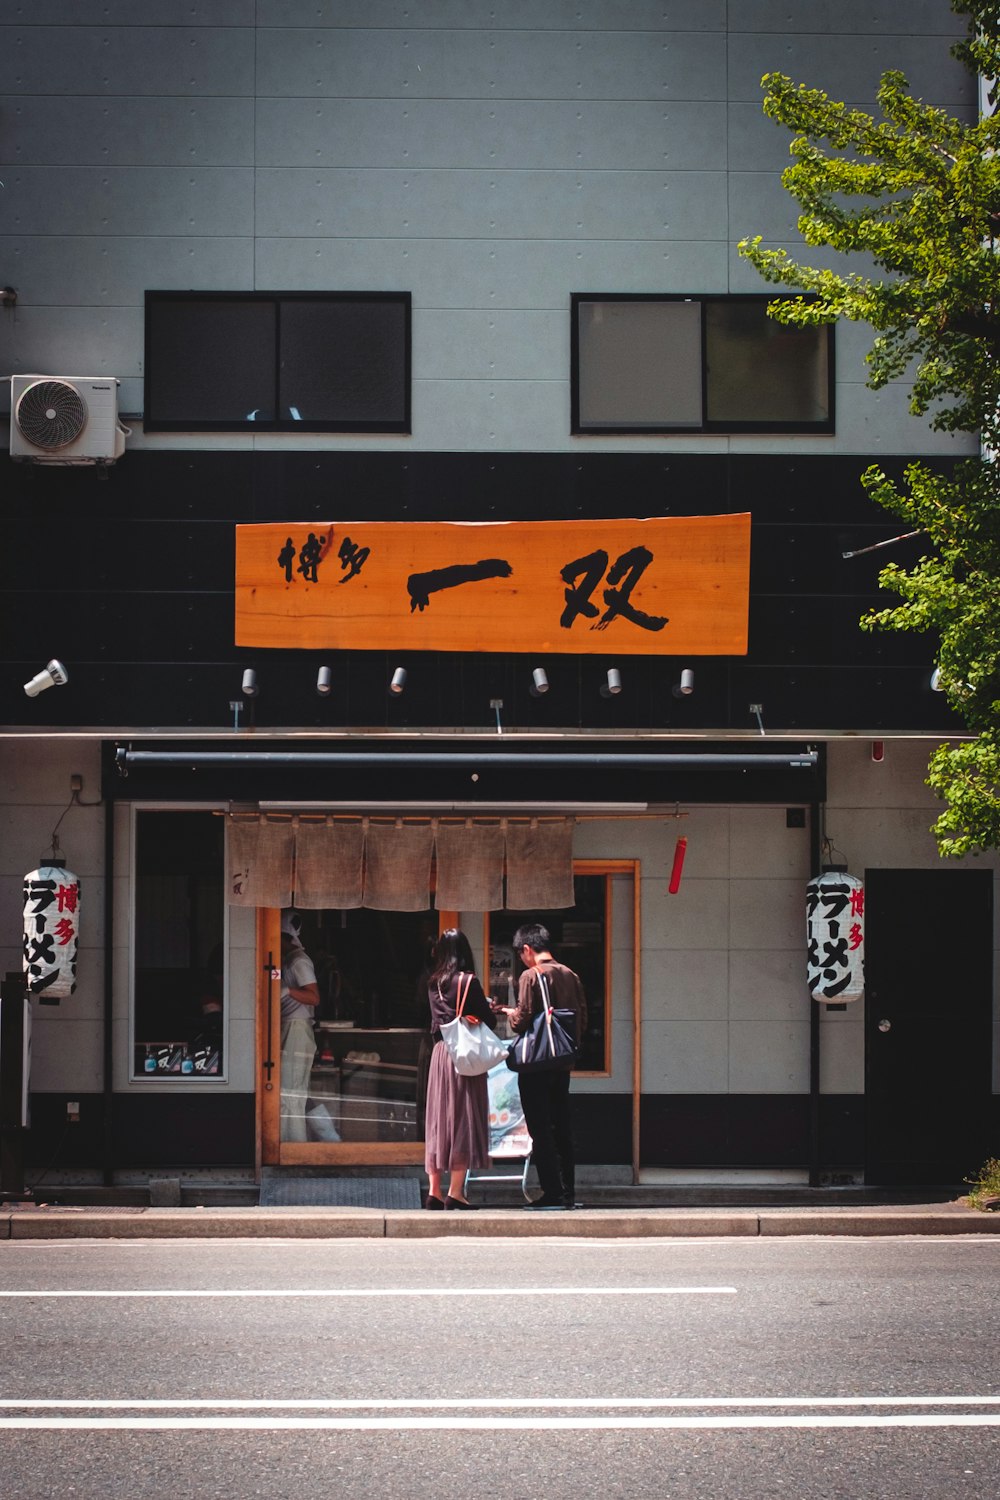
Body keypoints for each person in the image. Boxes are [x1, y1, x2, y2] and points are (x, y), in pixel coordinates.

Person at [496, 921, 588, 1210]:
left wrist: (511, 1015)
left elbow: (522, 1020)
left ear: (527, 949)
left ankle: (552, 1193)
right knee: (562, 1125)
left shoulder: (530, 976)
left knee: (540, 1128)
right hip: (562, 1062)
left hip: (536, 1064)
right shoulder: (570, 974)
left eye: (521, 953)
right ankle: (568, 1193)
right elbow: (581, 1017)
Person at [424, 928, 496, 1210]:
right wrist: (483, 1011)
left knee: (439, 1121)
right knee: (464, 1120)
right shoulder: (468, 981)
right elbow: (487, 1019)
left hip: (440, 1054)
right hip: (463, 1056)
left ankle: (434, 1192)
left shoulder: (433, 983)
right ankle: (456, 1192)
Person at [279, 909, 320, 1142]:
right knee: (286, 1089)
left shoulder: (299, 961)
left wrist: (287, 991)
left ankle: (293, 1146)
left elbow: (314, 997)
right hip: (289, 1026)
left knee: (292, 1090)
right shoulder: (287, 960)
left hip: (297, 1027)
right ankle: (287, 1142)